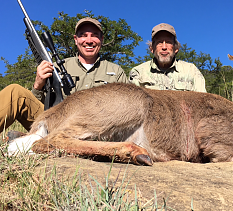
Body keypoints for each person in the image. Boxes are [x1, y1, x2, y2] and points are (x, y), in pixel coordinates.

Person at [0, 17, 128, 134]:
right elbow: (39, 105)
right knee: (15, 92)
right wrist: (38, 84)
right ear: (75, 39)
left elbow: (127, 111)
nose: (89, 41)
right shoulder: (55, 68)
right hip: (55, 124)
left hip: (99, 129)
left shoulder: (116, 71)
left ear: (101, 39)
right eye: (83, 35)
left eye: (94, 35)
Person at [129, 23, 206, 92]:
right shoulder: (138, 73)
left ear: (176, 48)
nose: (164, 47)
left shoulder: (191, 71)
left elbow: (203, 101)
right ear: (152, 48)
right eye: (159, 42)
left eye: (169, 42)